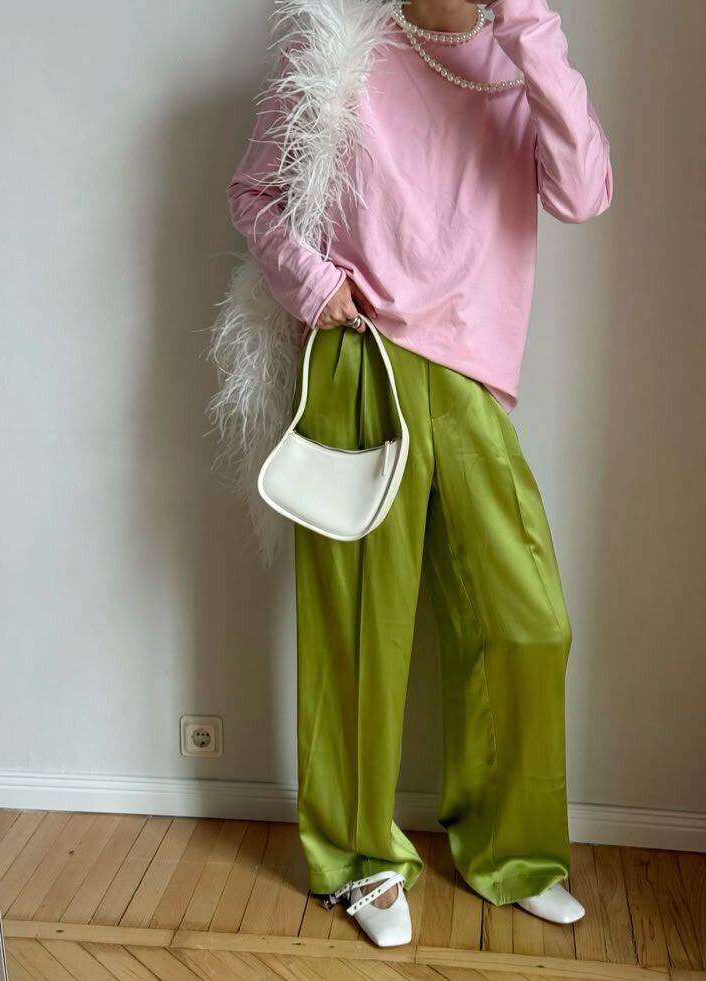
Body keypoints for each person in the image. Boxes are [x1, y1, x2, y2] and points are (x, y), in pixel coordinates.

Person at [224, 0, 613, 948]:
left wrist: (529, 26)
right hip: (361, 360)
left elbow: (585, 191)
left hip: (473, 379)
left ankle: (511, 850)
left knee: (525, 621)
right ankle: (356, 858)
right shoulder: (337, 44)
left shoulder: (521, 57)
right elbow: (255, 193)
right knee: (359, 630)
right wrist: (313, 284)